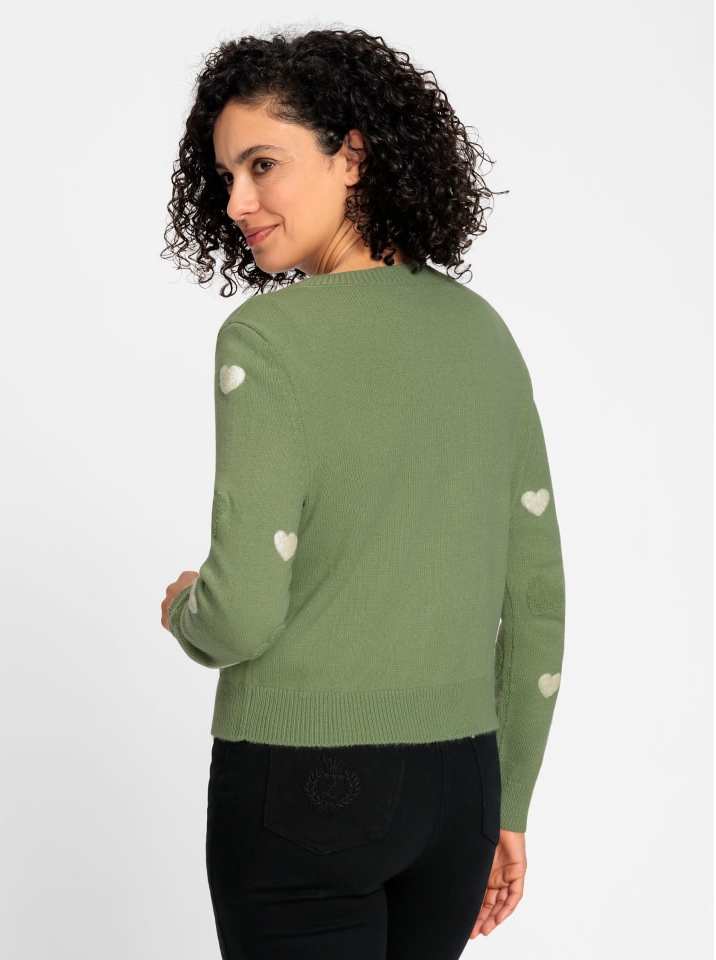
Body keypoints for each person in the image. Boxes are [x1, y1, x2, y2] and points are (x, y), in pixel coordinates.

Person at [160, 27, 565, 960]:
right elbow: (538, 601)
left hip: (304, 788)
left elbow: (240, 616)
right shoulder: (483, 334)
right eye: (225, 176)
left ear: (353, 155)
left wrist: (185, 609)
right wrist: (509, 801)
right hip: (461, 791)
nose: (238, 201)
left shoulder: (267, 341)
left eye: (263, 165)